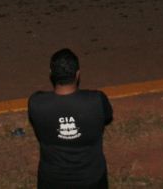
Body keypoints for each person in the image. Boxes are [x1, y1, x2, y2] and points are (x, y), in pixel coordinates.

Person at [28, 48, 113, 189]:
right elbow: (108, 116)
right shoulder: (96, 100)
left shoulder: (37, 103)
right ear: (78, 74)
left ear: (51, 74)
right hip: (91, 179)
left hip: (51, 180)